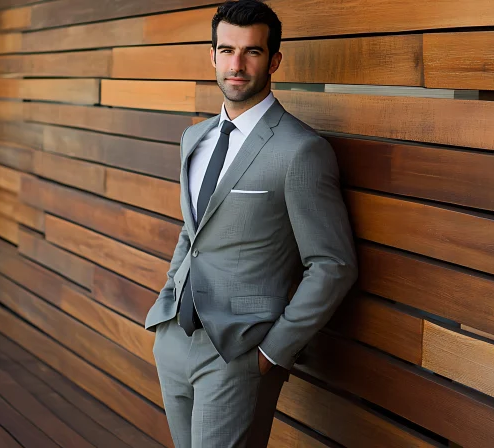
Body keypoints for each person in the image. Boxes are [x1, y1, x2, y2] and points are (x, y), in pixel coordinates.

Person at [143, 1, 358, 446]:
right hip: (175, 338)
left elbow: (333, 265)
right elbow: (193, 232)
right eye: (226, 50)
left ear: (274, 60)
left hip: (238, 355)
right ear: (213, 56)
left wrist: (270, 354)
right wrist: (167, 301)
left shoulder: (300, 151)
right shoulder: (194, 138)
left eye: (252, 52)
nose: (236, 65)